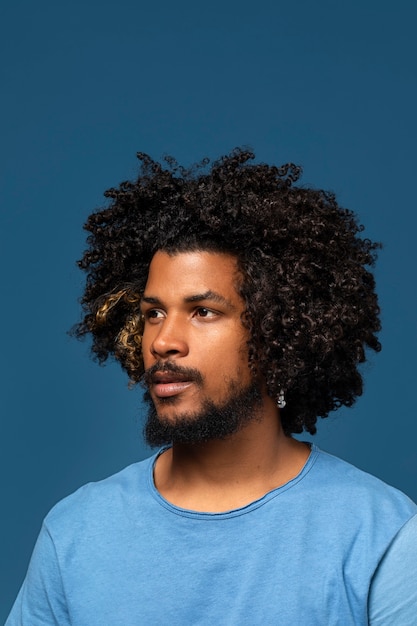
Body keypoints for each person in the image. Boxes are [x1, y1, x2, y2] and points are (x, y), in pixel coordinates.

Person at [7, 149, 417, 625]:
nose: (164, 341)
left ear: (275, 333)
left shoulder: (382, 534)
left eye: (203, 312)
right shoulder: (76, 532)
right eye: (153, 313)